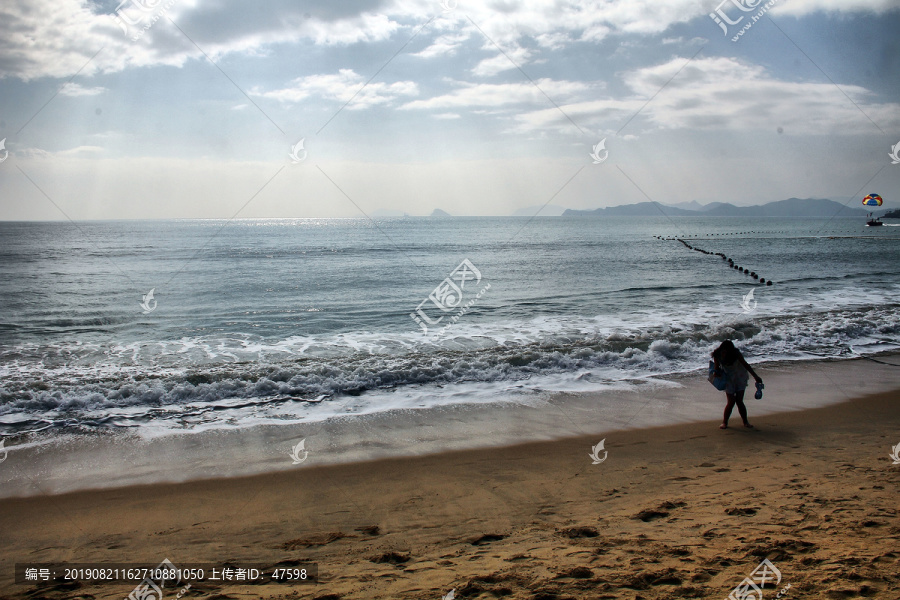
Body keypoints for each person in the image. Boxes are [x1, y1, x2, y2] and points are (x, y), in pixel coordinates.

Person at [711, 340, 762, 429]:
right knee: (730, 402)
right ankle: (724, 423)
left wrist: (755, 376)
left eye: (726, 351)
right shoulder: (717, 354)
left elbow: (745, 365)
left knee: (739, 401)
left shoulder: (736, 354)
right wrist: (716, 373)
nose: (724, 353)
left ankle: (745, 422)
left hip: (740, 376)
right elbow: (716, 368)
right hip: (728, 378)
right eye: (723, 351)